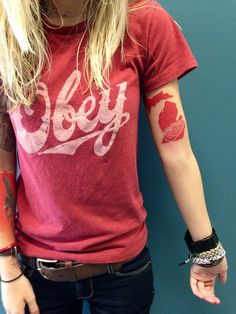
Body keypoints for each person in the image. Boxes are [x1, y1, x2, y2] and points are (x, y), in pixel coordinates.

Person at [0, 0, 228, 313]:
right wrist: (7, 270)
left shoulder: (143, 22)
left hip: (124, 272)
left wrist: (207, 248)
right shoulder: (5, 31)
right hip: (35, 271)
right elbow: (2, 163)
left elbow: (176, 150)